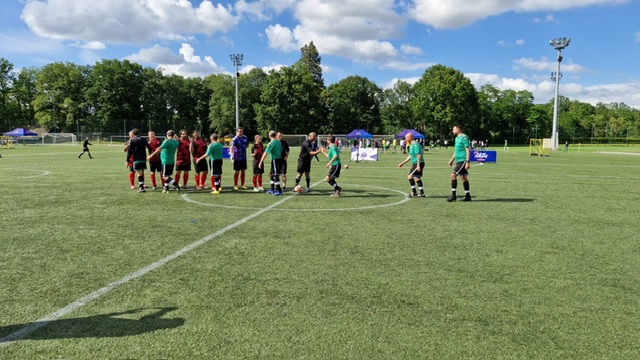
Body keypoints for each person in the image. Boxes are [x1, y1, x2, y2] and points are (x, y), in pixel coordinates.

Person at [447, 124, 472, 202]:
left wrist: (467, 161)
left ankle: (453, 196)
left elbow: (467, 149)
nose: (452, 131)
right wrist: (451, 160)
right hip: (458, 160)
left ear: (458, 129)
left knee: (453, 175)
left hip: (463, 160)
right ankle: (468, 196)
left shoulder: (464, 137)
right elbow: (456, 151)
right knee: (463, 177)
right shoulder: (457, 138)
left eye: (453, 129)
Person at [397, 132, 426, 197]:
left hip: (418, 163)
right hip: (415, 163)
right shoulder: (411, 145)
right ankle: (422, 193)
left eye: (406, 138)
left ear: (410, 137)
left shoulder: (415, 144)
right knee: (416, 178)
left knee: (409, 176)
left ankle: (414, 192)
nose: (405, 139)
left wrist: (418, 165)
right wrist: (402, 163)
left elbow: (418, 154)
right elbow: (410, 156)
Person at [258, 130, 283, 196]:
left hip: (275, 160)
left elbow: (265, 153)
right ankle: (272, 189)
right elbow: (281, 150)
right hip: (278, 159)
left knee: (275, 175)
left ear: (269, 136)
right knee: (271, 174)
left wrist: (260, 162)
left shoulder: (271, 143)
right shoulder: (278, 142)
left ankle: (279, 191)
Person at [126, 128, 152, 193]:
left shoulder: (133, 140)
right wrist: (149, 154)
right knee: (141, 173)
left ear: (133, 134)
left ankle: (141, 188)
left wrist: (127, 160)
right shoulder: (143, 139)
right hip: (143, 159)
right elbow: (149, 147)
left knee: (139, 173)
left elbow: (130, 151)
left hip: (137, 159)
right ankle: (142, 186)